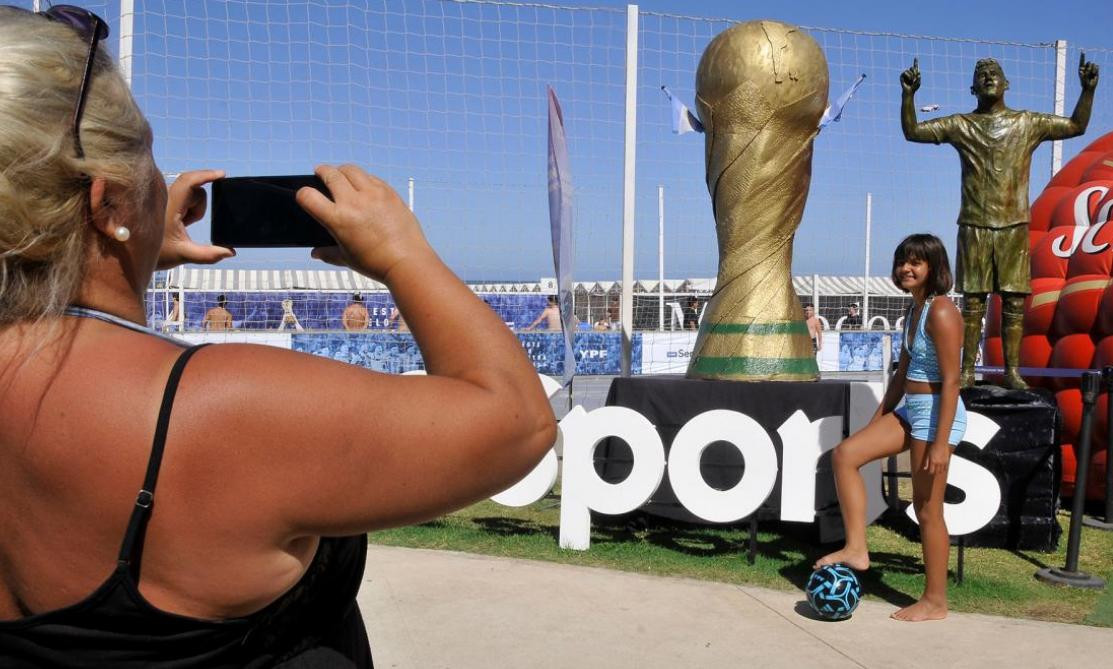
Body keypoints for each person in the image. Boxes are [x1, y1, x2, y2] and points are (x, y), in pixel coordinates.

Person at [0, 6, 555, 665]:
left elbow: (68, 349)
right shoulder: (216, 407)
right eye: (148, 160)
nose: (162, 182)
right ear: (106, 204)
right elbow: (518, 423)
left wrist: (127, 254)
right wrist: (405, 256)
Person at [901, 55, 1098, 388]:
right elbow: (913, 132)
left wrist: (1088, 90)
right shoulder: (961, 125)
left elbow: (1076, 126)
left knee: (1014, 301)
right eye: (981, 74)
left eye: (994, 73)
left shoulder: (1027, 123)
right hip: (974, 224)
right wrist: (908, 96)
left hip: (1013, 224)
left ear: (1006, 84)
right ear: (972, 88)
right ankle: (965, 370)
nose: (988, 76)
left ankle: (1012, 370)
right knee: (974, 302)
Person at [814, 234, 967, 622]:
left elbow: (951, 381)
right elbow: (901, 375)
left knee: (926, 509)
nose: (906, 268)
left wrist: (940, 443)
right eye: (902, 261)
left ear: (934, 267)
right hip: (912, 408)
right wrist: (878, 420)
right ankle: (856, 548)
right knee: (846, 455)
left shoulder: (943, 310)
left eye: (916, 262)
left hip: (936, 415)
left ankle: (935, 601)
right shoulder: (916, 310)